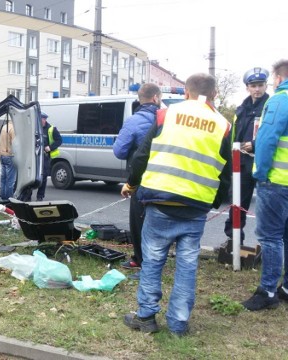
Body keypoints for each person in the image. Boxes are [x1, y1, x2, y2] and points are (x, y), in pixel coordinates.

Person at [121, 73, 231, 336]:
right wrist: (211, 202)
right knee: (187, 264)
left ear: (186, 93)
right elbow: (224, 174)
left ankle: (146, 317)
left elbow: (141, 156)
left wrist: (132, 185)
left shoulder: (165, 115)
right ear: (214, 94)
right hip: (196, 207)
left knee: (153, 260)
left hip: (161, 201)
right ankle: (179, 323)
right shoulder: (223, 125)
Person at [241, 59, 288, 311]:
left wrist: (261, 172)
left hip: (278, 182)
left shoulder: (279, 100)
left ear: (278, 78)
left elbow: (267, 139)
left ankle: (268, 291)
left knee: (271, 238)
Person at [112, 83, 162, 279]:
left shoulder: (134, 121)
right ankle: (151, 259)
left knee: (139, 220)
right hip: (166, 177)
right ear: (156, 98)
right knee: (159, 220)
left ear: (140, 99)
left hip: (141, 177)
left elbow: (119, 151)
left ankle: (142, 262)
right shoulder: (167, 119)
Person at [222, 67, 270, 246]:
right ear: (247, 87)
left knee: (266, 207)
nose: (257, 89)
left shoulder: (271, 106)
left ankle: (268, 245)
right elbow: (235, 135)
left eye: (260, 85)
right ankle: (234, 241)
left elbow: (274, 134)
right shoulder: (241, 109)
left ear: (266, 85)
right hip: (241, 162)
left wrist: (256, 145)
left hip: (263, 162)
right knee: (237, 203)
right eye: (253, 85)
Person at [35, 112, 62, 201]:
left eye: (43, 119)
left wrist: (50, 147)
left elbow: (59, 140)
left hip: (45, 156)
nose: (42, 121)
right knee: (32, 176)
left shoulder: (51, 129)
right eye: (41, 119)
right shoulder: (34, 128)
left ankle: (40, 195)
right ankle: (28, 194)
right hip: (35, 156)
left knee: (43, 176)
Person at [0, 120, 16, 200]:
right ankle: (8, 199)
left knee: (3, 178)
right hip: (10, 155)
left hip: (2, 155)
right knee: (10, 180)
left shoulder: (4, 127)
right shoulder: (13, 129)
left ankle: (2, 195)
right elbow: (15, 144)